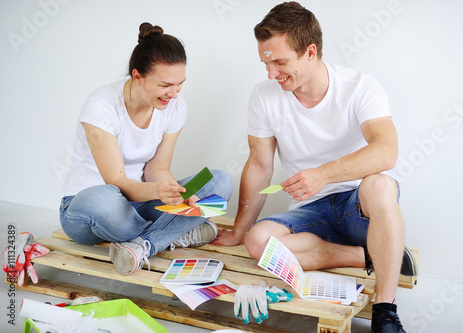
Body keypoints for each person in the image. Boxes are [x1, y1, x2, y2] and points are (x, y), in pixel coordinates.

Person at [213, 2, 416, 332]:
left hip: (358, 207)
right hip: (310, 212)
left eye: (280, 62)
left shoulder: (359, 87)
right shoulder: (264, 96)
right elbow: (259, 164)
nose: (271, 73)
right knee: (258, 242)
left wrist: (323, 174)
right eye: (265, 63)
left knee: (381, 185)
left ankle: (385, 310)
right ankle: (364, 256)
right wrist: (239, 229)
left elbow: (386, 151)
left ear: (310, 51)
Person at [60, 22, 232, 276]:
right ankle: (175, 232)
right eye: (165, 85)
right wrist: (161, 195)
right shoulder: (101, 106)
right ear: (137, 77)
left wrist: (175, 193)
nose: (174, 94)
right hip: (90, 209)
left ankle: (144, 244)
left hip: (141, 204)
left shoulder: (175, 106)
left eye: (180, 84)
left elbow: (158, 168)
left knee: (220, 182)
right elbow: (116, 181)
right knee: (103, 199)